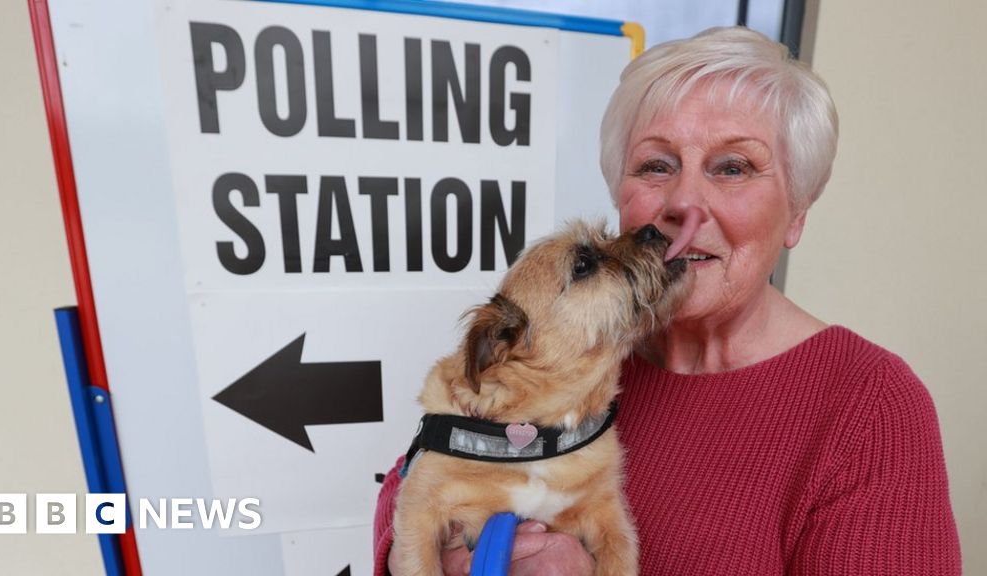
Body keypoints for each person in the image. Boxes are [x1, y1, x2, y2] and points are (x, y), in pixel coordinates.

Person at [373, 26, 961, 575]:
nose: (685, 201)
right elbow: (414, 491)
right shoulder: (568, 358)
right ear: (619, 194)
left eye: (733, 168)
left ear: (797, 213)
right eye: (657, 165)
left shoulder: (870, 409)